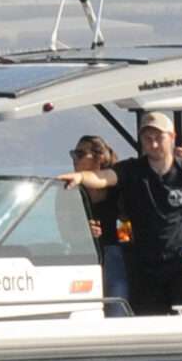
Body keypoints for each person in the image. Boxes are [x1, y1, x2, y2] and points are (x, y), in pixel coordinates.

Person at [57, 111, 182, 314]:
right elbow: (67, 230)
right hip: (130, 262)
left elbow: (123, 220)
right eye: (147, 139)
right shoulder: (76, 191)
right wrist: (80, 182)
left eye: (80, 154)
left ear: (171, 137)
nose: (153, 144)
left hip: (138, 256)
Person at [70, 134, 132, 313]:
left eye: (80, 154)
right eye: (74, 154)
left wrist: (123, 229)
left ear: (98, 158)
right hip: (84, 255)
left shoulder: (117, 190)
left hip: (114, 253)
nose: (75, 159)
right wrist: (84, 233)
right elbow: (67, 232)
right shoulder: (71, 192)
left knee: (114, 255)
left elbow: (128, 224)